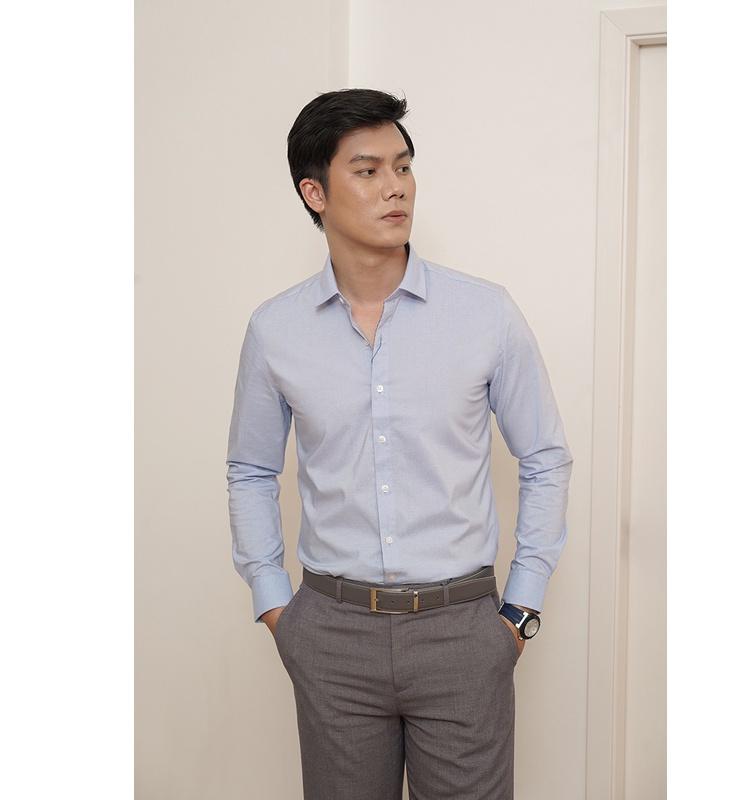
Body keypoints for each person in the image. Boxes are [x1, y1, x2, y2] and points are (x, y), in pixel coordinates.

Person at [225, 87, 573, 800]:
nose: (397, 187)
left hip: (463, 633)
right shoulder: (275, 330)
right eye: (368, 170)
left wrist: (521, 610)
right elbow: (251, 469)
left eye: (404, 166)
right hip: (330, 634)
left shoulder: (485, 313)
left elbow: (545, 458)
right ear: (314, 193)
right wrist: (275, 606)